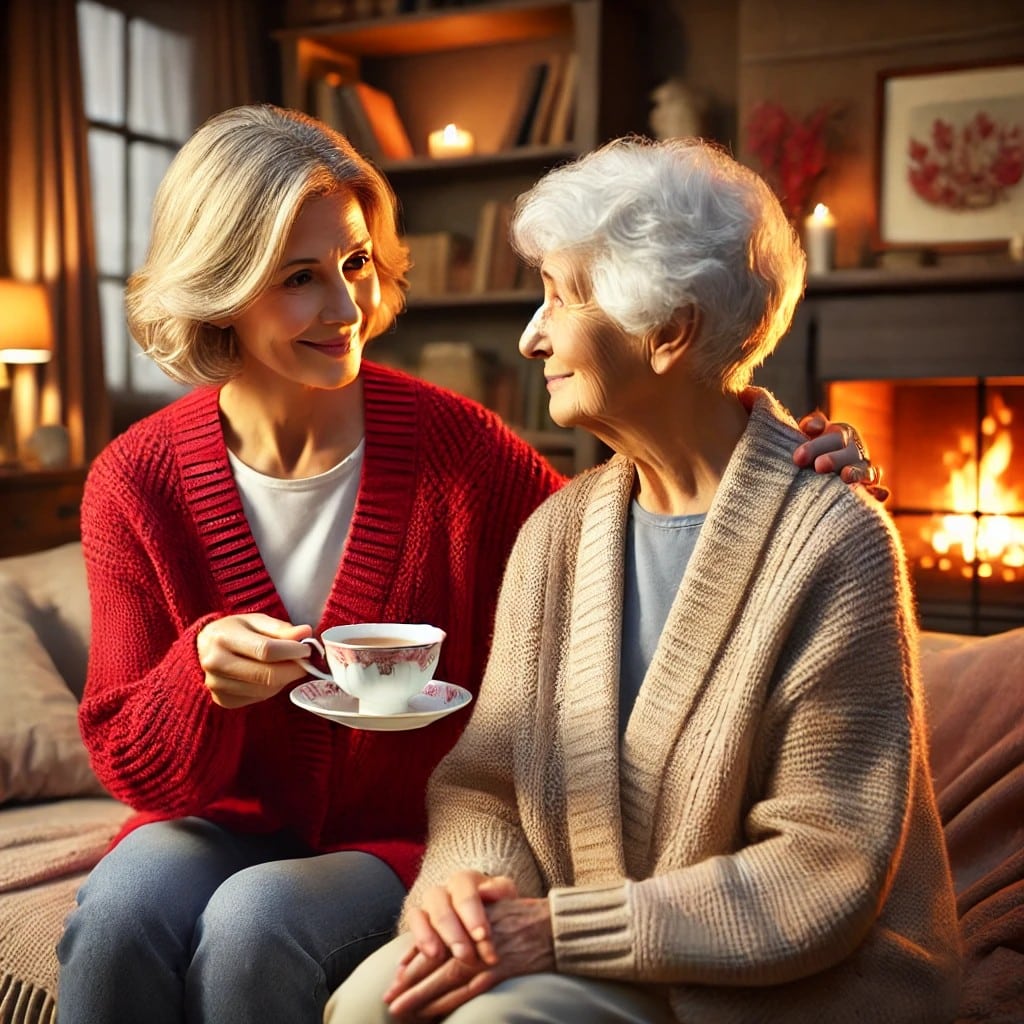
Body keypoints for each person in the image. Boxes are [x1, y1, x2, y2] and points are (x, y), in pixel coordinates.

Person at [55, 106, 878, 1024]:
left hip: (403, 837)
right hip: (214, 820)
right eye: (299, 277)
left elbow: (652, 514)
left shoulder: (461, 453)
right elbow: (134, 769)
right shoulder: (135, 480)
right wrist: (198, 682)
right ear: (221, 286)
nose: (347, 307)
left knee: (260, 921)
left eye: (357, 263)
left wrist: (788, 455)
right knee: (122, 914)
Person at [326, 136, 962, 1024]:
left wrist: (558, 934)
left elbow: (825, 862)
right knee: (369, 1002)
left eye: (559, 296)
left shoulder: (834, 541)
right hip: (596, 950)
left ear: (667, 331)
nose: (530, 335)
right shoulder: (557, 531)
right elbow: (487, 782)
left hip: (786, 988)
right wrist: (463, 887)